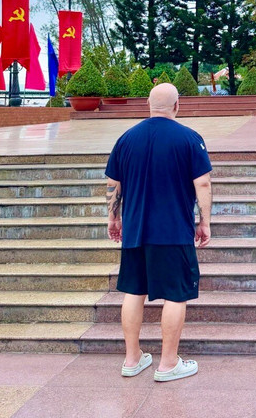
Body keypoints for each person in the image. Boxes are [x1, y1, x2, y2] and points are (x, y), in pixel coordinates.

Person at [104, 83, 213, 382]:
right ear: (177, 105)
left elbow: (114, 185)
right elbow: (202, 184)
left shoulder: (127, 139)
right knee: (176, 295)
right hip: (173, 230)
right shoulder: (190, 139)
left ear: (148, 105)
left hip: (136, 229)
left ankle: (132, 359)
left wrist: (114, 217)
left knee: (133, 291)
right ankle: (168, 363)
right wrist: (204, 222)